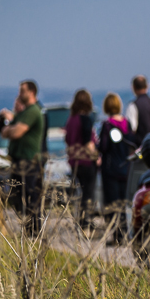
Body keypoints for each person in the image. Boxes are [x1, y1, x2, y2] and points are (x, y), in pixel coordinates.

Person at [0, 79, 45, 236]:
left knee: (30, 198)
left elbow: (15, 132)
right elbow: (5, 132)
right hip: (19, 161)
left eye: (22, 91)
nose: (20, 94)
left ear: (31, 92)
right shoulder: (24, 113)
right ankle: (28, 230)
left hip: (29, 162)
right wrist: (10, 128)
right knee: (19, 198)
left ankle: (34, 232)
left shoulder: (33, 111)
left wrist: (11, 129)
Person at [98, 92, 135, 245]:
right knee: (124, 203)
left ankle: (118, 236)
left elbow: (104, 147)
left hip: (111, 169)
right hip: (126, 167)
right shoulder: (127, 123)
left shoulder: (107, 125)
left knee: (114, 204)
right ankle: (126, 232)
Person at [64, 89, 98, 233]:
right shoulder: (85, 119)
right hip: (85, 160)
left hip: (74, 161)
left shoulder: (71, 119)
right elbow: (87, 142)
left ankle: (81, 219)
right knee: (88, 193)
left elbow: (67, 139)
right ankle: (86, 221)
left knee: (80, 192)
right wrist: (97, 155)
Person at [125, 75, 150, 145]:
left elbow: (131, 128)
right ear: (147, 86)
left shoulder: (133, 106)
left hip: (141, 148)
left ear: (133, 87)